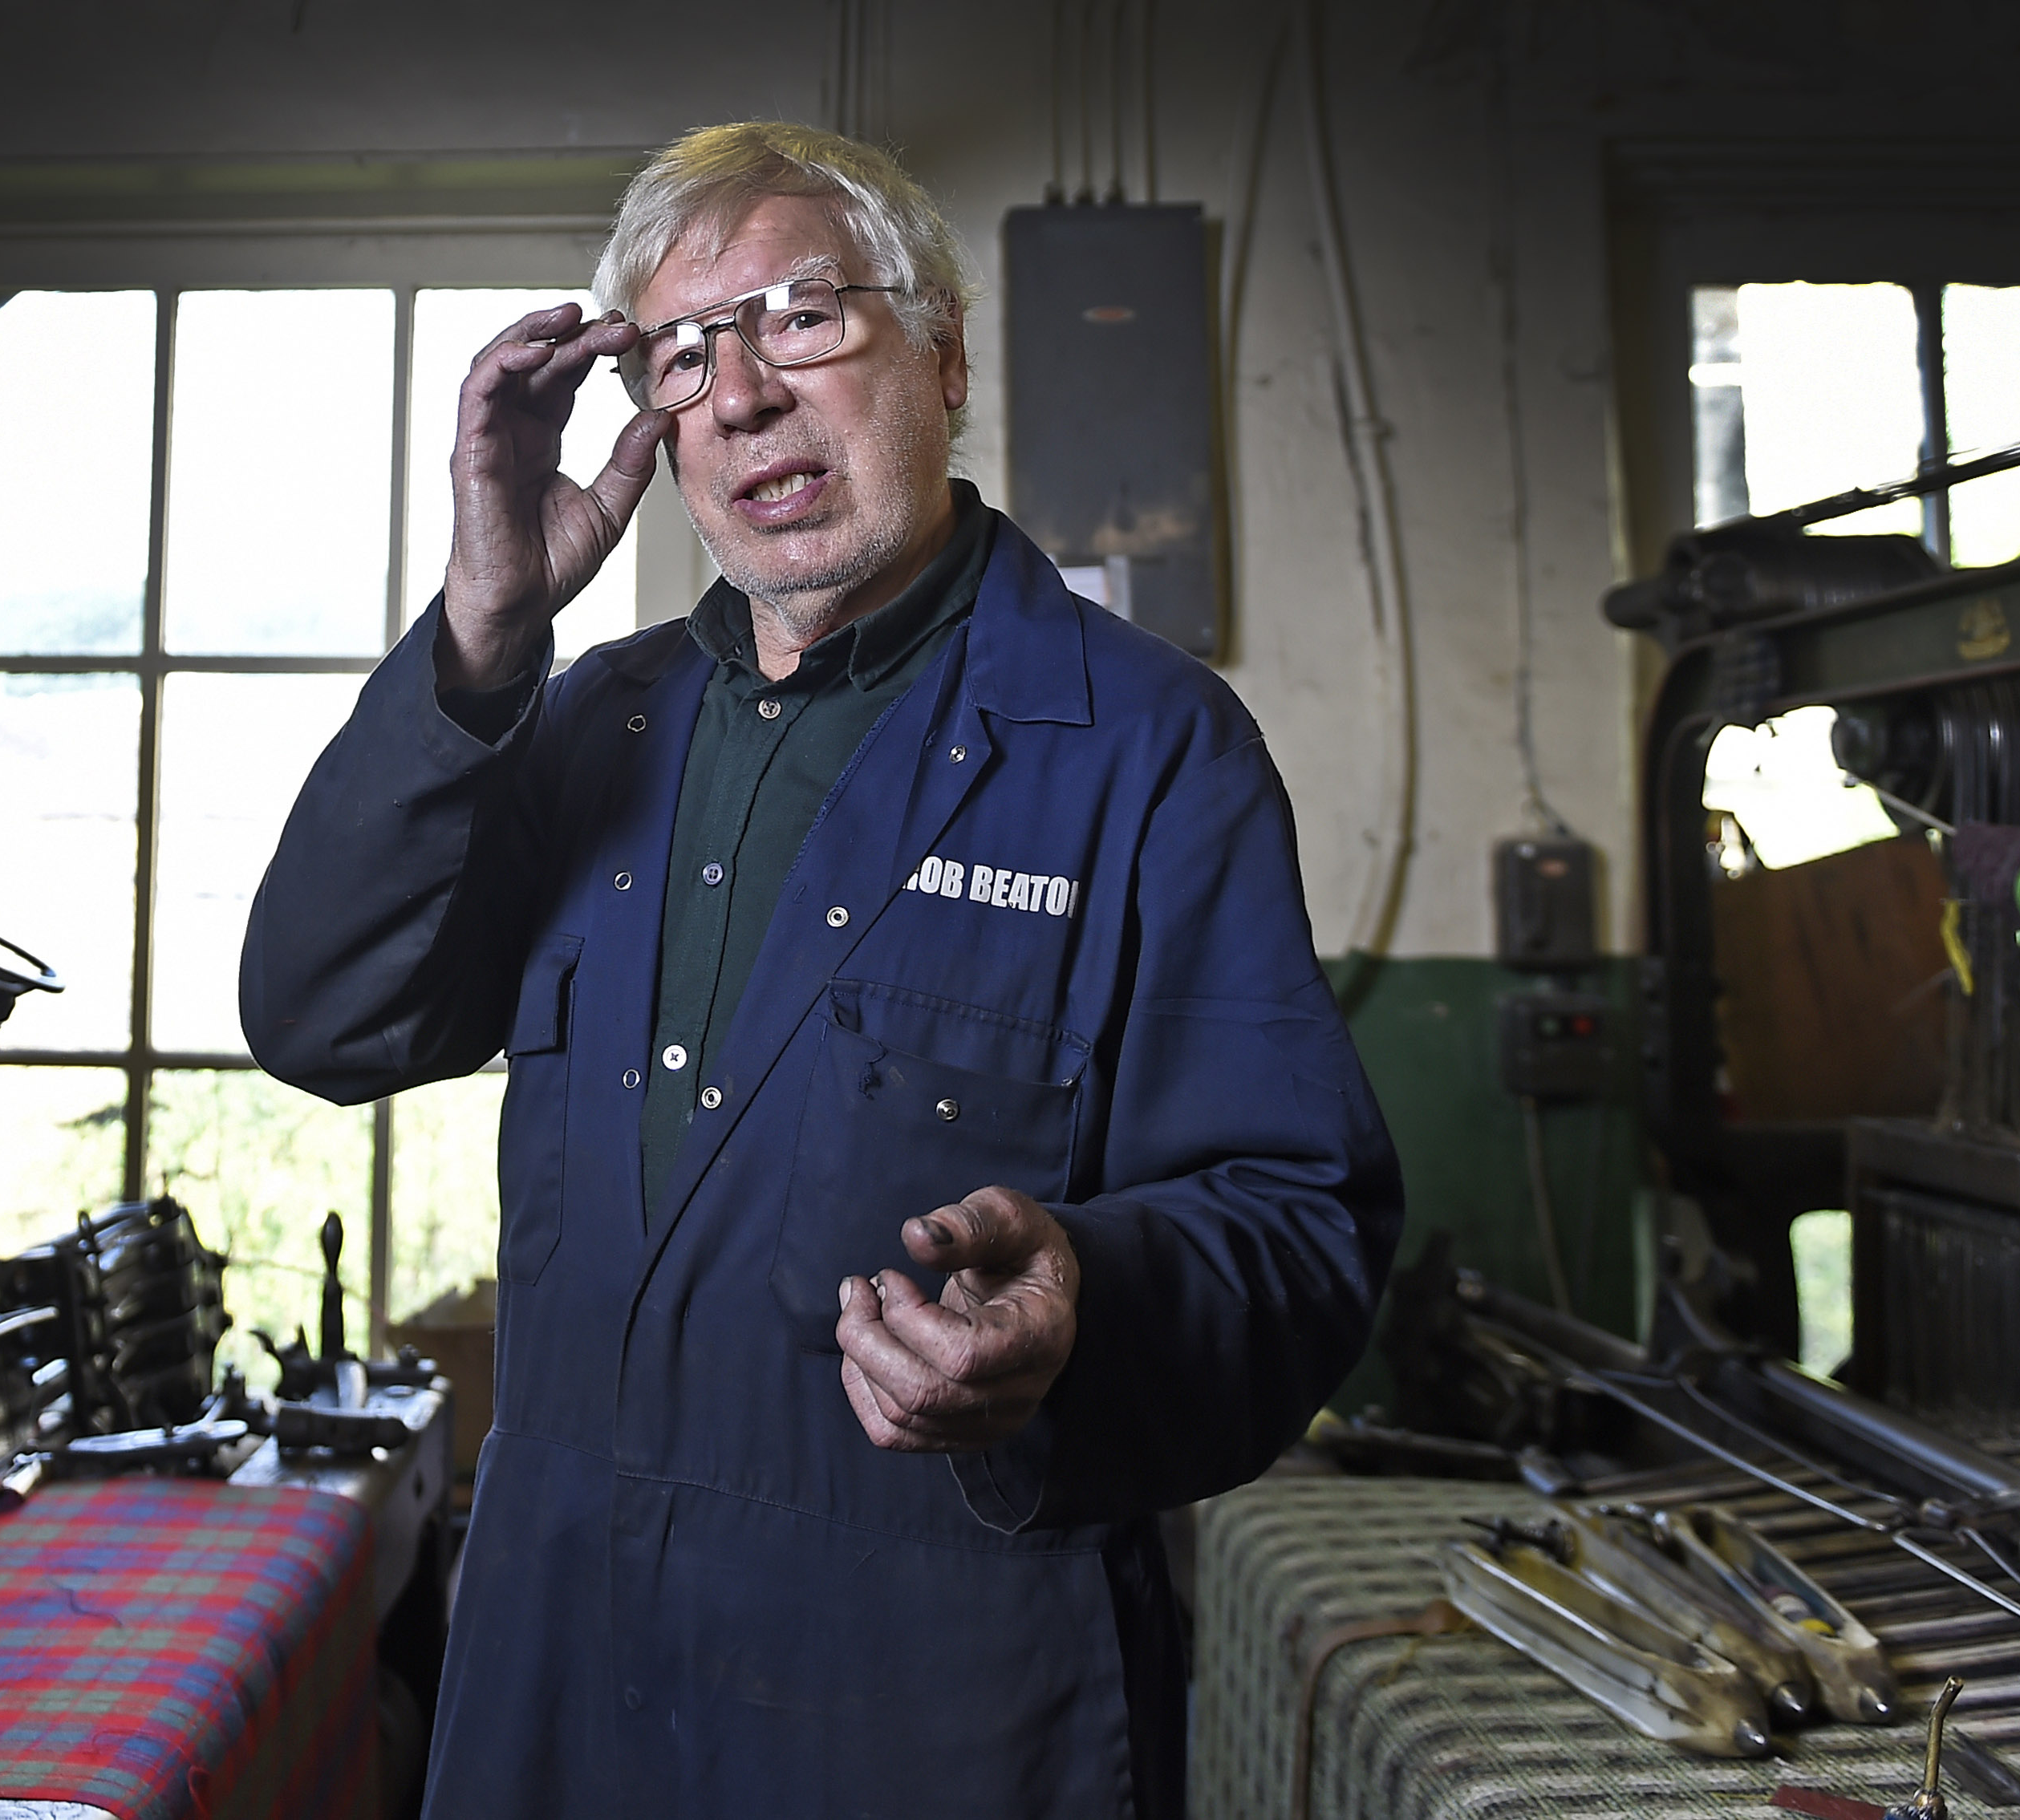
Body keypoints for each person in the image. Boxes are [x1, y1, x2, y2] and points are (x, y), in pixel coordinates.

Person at [241, 120, 1401, 1820]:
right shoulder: (583, 726)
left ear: (942, 354)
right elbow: (325, 1016)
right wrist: (484, 637)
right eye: (680, 353)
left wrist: (1084, 1292)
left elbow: (1299, 1228)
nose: (737, 394)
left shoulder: (1143, 748)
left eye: (798, 318)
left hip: (934, 1707)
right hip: (558, 1679)